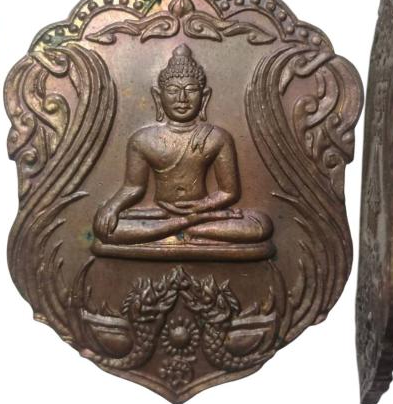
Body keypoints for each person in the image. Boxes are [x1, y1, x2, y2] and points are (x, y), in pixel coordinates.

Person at [93, 44, 273, 253]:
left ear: (204, 96)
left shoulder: (217, 137)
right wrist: (112, 207)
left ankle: (180, 228)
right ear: (158, 96)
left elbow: (229, 192)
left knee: (260, 224)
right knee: (104, 226)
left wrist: (202, 206)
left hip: (203, 213)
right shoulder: (142, 139)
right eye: (172, 91)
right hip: (162, 214)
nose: (182, 99)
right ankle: (187, 227)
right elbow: (133, 187)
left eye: (191, 90)